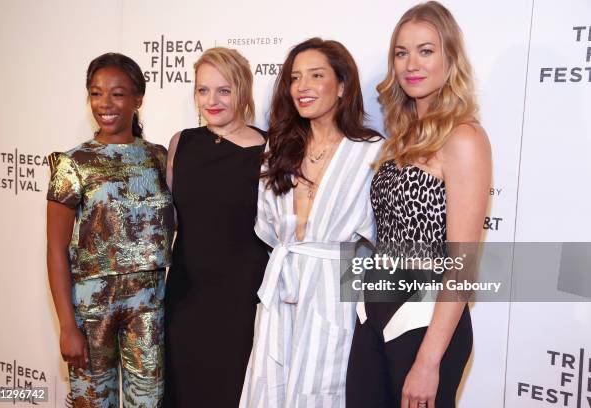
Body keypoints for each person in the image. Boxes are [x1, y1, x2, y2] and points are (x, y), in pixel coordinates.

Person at [346, 2, 492, 408]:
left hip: (426, 326)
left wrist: (430, 360)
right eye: (401, 52)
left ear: (450, 57)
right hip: (374, 313)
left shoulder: (464, 139)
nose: (411, 63)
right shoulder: (400, 136)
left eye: (426, 50)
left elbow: (462, 262)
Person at [240, 38, 383, 407]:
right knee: (270, 385)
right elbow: (267, 227)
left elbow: (380, 236)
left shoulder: (373, 152)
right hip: (281, 285)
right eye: (295, 78)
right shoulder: (278, 148)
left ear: (342, 85)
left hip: (336, 292)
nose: (302, 87)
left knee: (322, 390)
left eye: (316, 75)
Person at [46, 53, 174, 407]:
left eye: (118, 94)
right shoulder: (73, 163)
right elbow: (56, 250)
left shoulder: (159, 157)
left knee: (148, 401)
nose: (105, 104)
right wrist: (68, 327)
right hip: (91, 308)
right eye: (96, 93)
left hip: (150, 305)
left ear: (138, 99)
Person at [163, 47, 268, 408]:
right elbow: (169, 220)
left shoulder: (267, 150)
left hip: (241, 297)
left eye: (224, 90)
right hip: (185, 295)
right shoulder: (181, 143)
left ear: (242, 90)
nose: (212, 100)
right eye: (203, 90)